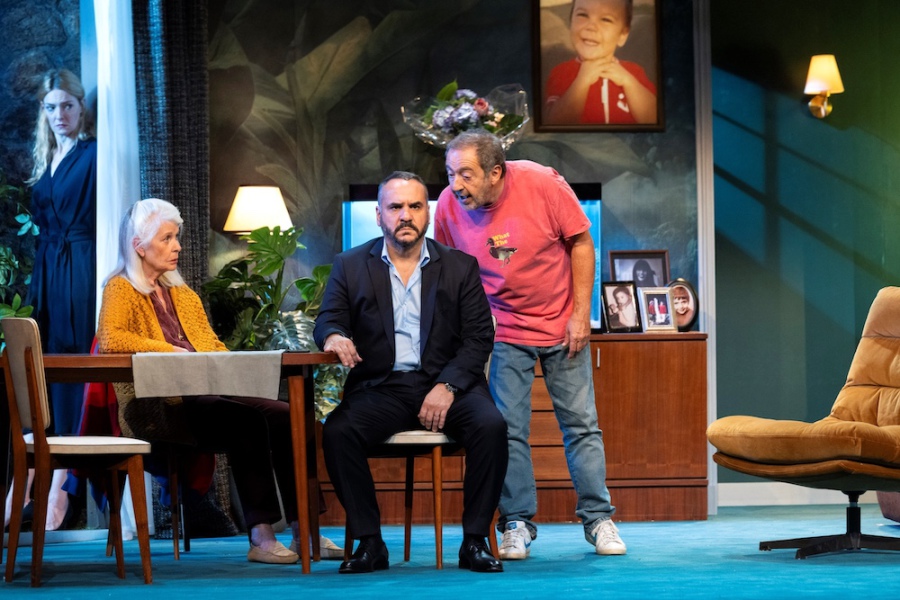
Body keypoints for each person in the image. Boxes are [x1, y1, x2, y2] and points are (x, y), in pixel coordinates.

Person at [97, 198, 325, 565]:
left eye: (176, 237)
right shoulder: (121, 288)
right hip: (160, 405)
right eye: (167, 238)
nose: (177, 246)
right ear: (139, 245)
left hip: (207, 394)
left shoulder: (182, 294)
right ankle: (261, 534)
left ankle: (306, 530)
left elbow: (212, 346)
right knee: (246, 421)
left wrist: (234, 371)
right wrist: (170, 351)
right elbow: (111, 339)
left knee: (291, 415)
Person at [435, 130, 626, 559]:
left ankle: (598, 519)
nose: (456, 185)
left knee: (581, 425)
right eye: (450, 174)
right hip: (501, 329)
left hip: (561, 324)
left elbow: (581, 242)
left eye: (465, 174)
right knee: (508, 429)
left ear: (495, 172)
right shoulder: (447, 205)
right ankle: (516, 522)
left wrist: (581, 315)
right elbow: (448, 272)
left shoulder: (542, 183)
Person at [315, 171, 508, 574]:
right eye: (396, 206)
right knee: (338, 431)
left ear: (427, 213)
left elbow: (478, 337)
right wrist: (333, 335)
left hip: (448, 385)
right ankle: (370, 543)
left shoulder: (459, 267)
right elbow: (329, 318)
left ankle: (474, 541)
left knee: (490, 426)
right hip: (382, 387)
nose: (406, 215)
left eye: (415, 206)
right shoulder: (350, 265)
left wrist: (447, 386)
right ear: (379, 214)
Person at [4, 68, 97, 532]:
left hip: (79, 265)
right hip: (48, 268)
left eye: (67, 106)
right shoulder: (49, 156)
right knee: (42, 363)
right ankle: (29, 480)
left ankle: (63, 485)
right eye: (51, 107)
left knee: (74, 361)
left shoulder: (93, 154)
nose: (59, 114)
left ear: (81, 108)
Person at [544, 0, 657, 125]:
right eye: (582, 15)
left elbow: (654, 119)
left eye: (605, 19)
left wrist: (629, 82)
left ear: (622, 36)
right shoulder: (561, 72)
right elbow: (556, 123)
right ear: (570, 23)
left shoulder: (635, 72)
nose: (591, 27)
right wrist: (582, 82)